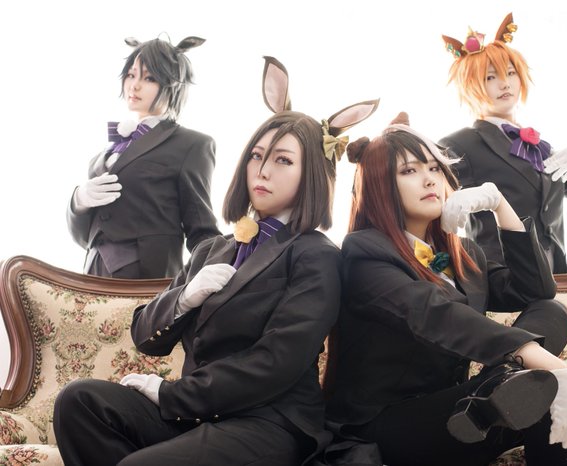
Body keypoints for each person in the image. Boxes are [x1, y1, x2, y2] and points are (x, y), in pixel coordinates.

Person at [53, 56, 379, 466]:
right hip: (198, 417)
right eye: (256, 155)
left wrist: (171, 393)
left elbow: (276, 362)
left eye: (282, 160)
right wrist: (185, 297)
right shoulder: (214, 249)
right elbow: (144, 334)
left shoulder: (317, 256)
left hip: (269, 423)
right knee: (79, 402)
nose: (262, 170)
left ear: (311, 172)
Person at [323, 113, 567, 466]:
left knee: (550, 314)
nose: (429, 179)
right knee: (544, 393)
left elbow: (535, 291)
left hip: (465, 414)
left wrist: (500, 205)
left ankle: (503, 385)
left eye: (435, 168)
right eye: (409, 171)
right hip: (386, 424)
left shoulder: (464, 253)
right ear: (379, 186)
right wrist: (556, 368)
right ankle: (503, 385)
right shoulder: (365, 252)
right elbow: (436, 315)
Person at [439, 13, 567, 273]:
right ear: (470, 86)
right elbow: (429, 204)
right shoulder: (459, 144)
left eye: (510, 73)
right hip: (502, 279)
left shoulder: (539, 148)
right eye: (490, 77)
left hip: (557, 277)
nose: (504, 83)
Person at [66, 35, 220, 279]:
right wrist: (79, 201)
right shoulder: (107, 151)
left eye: (149, 78)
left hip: (147, 280)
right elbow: (84, 237)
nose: (134, 85)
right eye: (131, 75)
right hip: (92, 274)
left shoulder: (192, 145)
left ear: (173, 84)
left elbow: (201, 229)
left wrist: (212, 273)